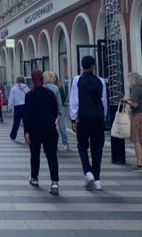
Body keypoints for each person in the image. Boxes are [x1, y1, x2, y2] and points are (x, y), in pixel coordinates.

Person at [69, 55, 108, 191]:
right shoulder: (100, 81)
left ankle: (87, 171)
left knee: (82, 146)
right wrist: (103, 117)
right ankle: (97, 179)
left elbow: (75, 100)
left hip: (84, 119)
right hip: (98, 118)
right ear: (93, 66)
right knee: (97, 149)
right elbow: (104, 101)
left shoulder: (77, 80)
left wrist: (73, 119)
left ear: (82, 66)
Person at [24, 70, 60, 195]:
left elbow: (27, 115)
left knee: (35, 154)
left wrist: (26, 131)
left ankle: (34, 178)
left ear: (33, 81)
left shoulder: (29, 95)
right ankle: (54, 182)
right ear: (43, 80)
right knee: (51, 156)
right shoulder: (50, 94)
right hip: (49, 128)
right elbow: (55, 111)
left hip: (35, 129)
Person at [42, 72, 70, 150]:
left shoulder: (42, 87)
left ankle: (50, 143)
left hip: (46, 112)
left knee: (48, 128)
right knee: (61, 127)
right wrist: (60, 110)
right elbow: (59, 101)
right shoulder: (55, 88)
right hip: (56, 110)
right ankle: (65, 142)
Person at [8, 76, 29, 141]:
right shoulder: (27, 88)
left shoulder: (14, 88)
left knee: (16, 122)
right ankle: (26, 137)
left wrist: (10, 107)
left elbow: (11, 98)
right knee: (26, 122)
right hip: (25, 106)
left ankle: (13, 135)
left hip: (17, 106)